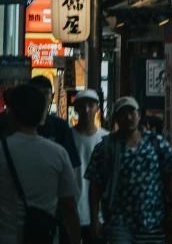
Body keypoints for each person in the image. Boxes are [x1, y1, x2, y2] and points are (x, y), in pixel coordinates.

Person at [0, 84, 81, 244]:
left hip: (4, 239)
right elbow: (69, 206)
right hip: (44, 238)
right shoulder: (58, 153)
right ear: (41, 115)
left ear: (11, 114)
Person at [85, 97, 172, 244]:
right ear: (116, 118)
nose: (128, 117)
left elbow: (170, 175)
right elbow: (95, 185)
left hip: (153, 221)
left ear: (139, 115)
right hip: (118, 223)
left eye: (131, 112)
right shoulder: (105, 147)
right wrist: (94, 218)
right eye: (122, 113)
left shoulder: (156, 143)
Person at [71, 90, 109, 244]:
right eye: (82, 106)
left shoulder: (106, 138)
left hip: (98, 215)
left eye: (91, 105)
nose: (87, 110)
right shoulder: (67, 137)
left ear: (97, 109)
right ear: (76, 109)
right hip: (71, 211)